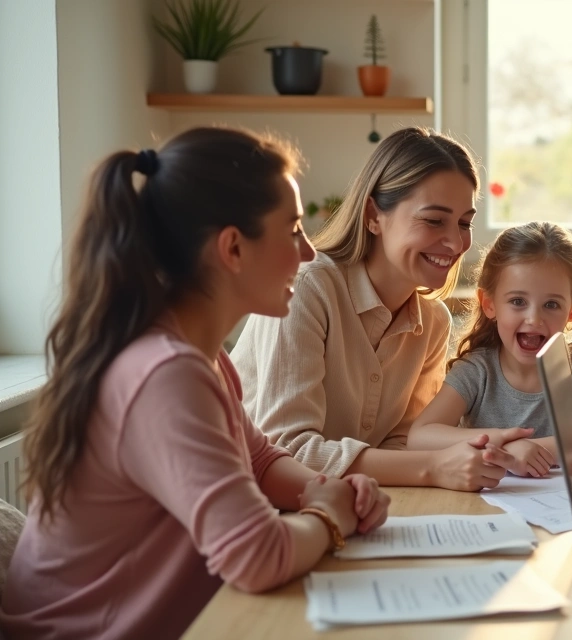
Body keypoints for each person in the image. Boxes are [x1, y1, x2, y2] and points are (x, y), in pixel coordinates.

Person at [0, 128, 391, 640]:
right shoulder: (165, 374)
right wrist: (328, 519)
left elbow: (260, 462)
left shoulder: (197, 357)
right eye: (294, 230)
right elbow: (256, 556)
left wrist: (327, 490)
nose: (309, 253)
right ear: (232, 247)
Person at [231, 127, 517, 491]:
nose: (455, 241)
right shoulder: (307, 289)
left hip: (352, 503)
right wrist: (432, 467)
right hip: (261, 507)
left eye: (465, 223)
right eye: (433, 220)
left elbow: (400, 444)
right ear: (372, 215)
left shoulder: (432, 323)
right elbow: (286, 450)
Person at [407, 221, 572, 476]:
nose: (534, 318)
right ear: (489, 304)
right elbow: (420, 437)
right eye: (518, 301)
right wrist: (504, 444)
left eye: (551, 305)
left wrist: (530, 449)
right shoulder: (476, 371)